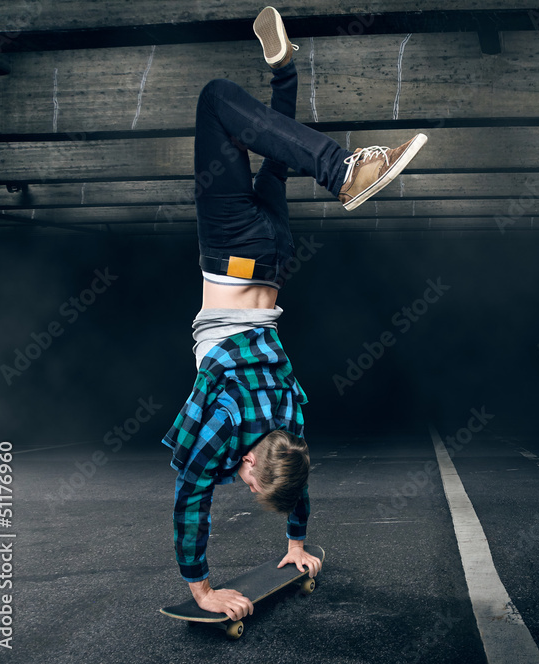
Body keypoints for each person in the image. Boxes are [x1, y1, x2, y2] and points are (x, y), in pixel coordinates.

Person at [161, 6, 427, 622]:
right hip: (231, 254)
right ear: (252, 461)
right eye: (250, 484)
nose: (242, 483)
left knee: (274, 148)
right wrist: (202, 589)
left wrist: (296, 543)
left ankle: (284, 71)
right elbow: (190, 497)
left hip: (276, 257)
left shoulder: (290, 416)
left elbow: (298, 476)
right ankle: (344, 167)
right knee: (215, 101)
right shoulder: (227, 424)